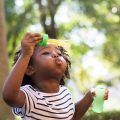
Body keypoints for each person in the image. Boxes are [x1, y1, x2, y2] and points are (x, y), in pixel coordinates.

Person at [2, 32, 108, 120]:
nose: (56, 54)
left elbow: (73, 116)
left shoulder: (65, 93)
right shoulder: (31, 96)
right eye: (46, 53)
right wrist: (25, 54)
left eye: (59, 53)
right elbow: (9, 96)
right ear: (30, 69)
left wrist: (90, 96)